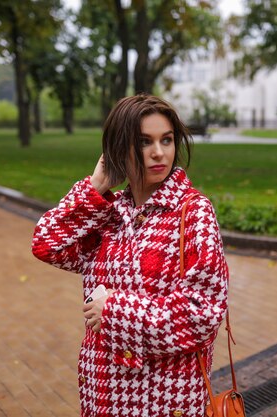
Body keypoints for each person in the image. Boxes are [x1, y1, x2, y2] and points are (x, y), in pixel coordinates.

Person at [32, 94, 229, 417]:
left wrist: (115, 311)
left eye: (166, 140)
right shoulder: (109, 215)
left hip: (163, 397)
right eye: (143, 142)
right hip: (104, 393)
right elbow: (46, 244)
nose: (159, 153)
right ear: (120, 148)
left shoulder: (192, 212)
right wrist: (95, 187)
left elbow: (202, 314)